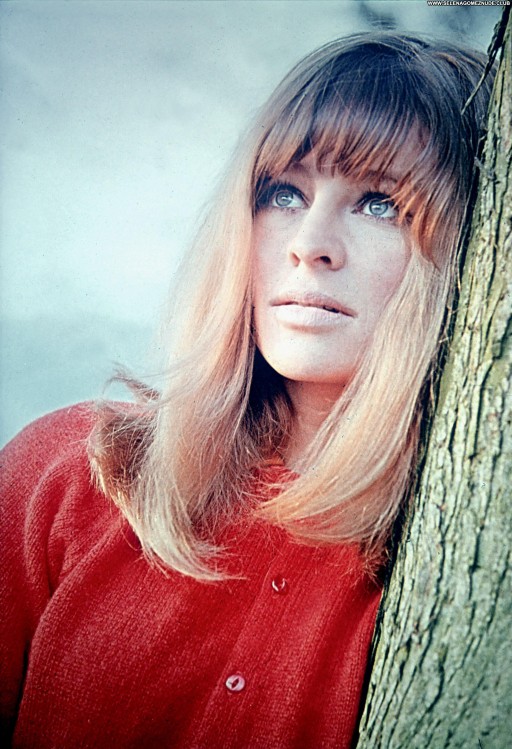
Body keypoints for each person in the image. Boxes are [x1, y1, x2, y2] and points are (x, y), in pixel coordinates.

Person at [0, 32, 494, 749]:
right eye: (284, 193)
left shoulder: (459, 570)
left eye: (380, 203)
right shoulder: (68, 472)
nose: (309, 243)